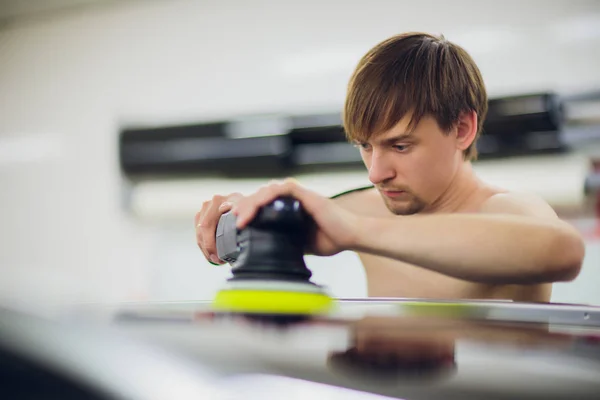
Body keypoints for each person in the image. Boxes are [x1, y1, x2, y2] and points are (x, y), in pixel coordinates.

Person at [195, 32, 585, 302]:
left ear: (462, 129)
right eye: (365, 146)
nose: (376, 173)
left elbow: (563, 251)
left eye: (400, 145)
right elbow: (270, 229)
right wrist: (237, 219)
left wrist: (358, 231)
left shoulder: (506, 211)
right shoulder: (362, 210)